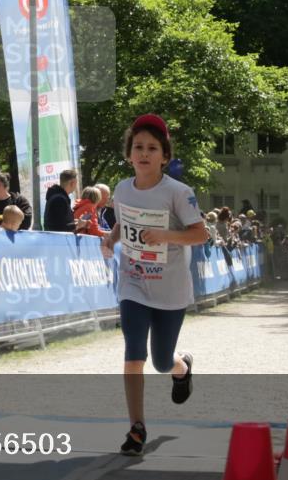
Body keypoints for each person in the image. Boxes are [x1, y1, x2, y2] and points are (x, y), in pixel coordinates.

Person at [99, 114, 208, 455]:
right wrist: (111, 239)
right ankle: (136, 428)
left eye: (152, 148)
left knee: (162, 361)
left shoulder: (178, 193)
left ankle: (182, 366)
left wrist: (165, 235)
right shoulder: (121, 188)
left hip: (170, 288)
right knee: (134, 352)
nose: (144, 154)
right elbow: (122, 221)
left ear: (165, 156)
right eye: (138, 147)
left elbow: (200, 233)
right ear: (129, 154)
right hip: (133, 282)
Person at [43, 169, 89, 233]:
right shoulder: (60, 200)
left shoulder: (57, 197)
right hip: (58, 241)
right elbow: (60, 227)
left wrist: (76, 223)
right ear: (72, 183)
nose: (76, 186)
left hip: (55, 239)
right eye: (76, 183)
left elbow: (60, 223)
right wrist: (78, 224)